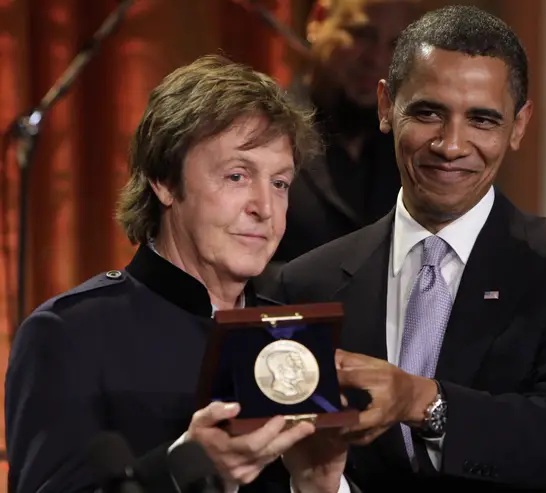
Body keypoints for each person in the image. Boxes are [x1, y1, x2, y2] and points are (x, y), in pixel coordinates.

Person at [274, 5, 546, 491]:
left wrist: (423, 401)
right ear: (387, 106)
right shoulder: (307, 282)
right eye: (428, 113)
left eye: (482, 120)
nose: (451, 145)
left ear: (519, 125)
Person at [5, 54, 348, 493]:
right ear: (164, 181)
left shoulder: (296, 337)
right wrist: (181, 468)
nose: (265, 208)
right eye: (237, 175)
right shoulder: (70, 334)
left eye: (280, 183)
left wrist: (318, 487)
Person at [271, 0, 420, 263]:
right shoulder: (263, 133)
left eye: (395, 45)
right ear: (318, 20)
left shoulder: (412, 153)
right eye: (362, 34)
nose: (376, 59)